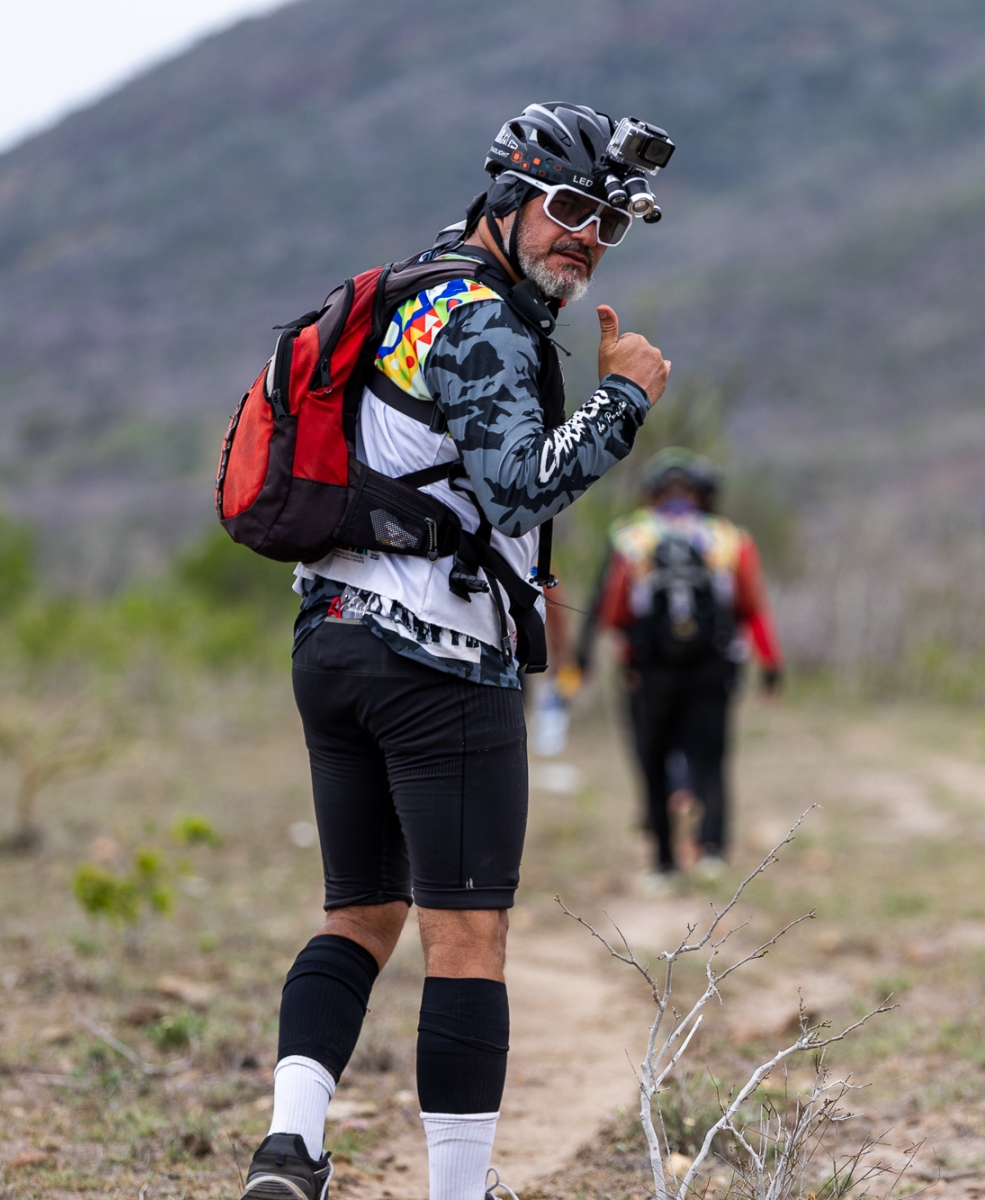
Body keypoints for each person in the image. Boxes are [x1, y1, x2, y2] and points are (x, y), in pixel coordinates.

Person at [241, 103, 672, 1200]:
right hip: (437, 656)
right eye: (568, 209)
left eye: (609, 223)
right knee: (469, 939)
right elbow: (521, 487)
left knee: (361, 913)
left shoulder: (409, 296)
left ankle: (290, 1146)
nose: (586, 237)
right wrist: (624, 398)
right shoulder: (481, 320)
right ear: (508, 198)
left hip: (333, 640)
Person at [586, 448, 782, 885]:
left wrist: (614, 655)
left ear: (651, 493)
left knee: (652, 760)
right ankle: (711, 851)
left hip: (650, 671)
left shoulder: (632, 536)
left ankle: (663, 862)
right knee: (710, 758)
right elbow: (751, 606)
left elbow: (614, 611)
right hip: (713, 666)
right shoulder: (728, 538)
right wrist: (771, 663)